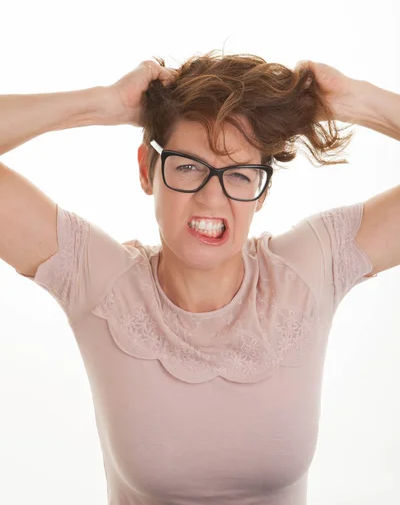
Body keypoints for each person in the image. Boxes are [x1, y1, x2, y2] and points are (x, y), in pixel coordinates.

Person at [0, 51, 399, 504]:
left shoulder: (308, 270)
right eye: (189, 167)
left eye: (240, 174)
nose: (212, 199)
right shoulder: (97, 280)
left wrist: (356, 101)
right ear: (147, 170)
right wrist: (102, 104)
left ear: (261, 191)